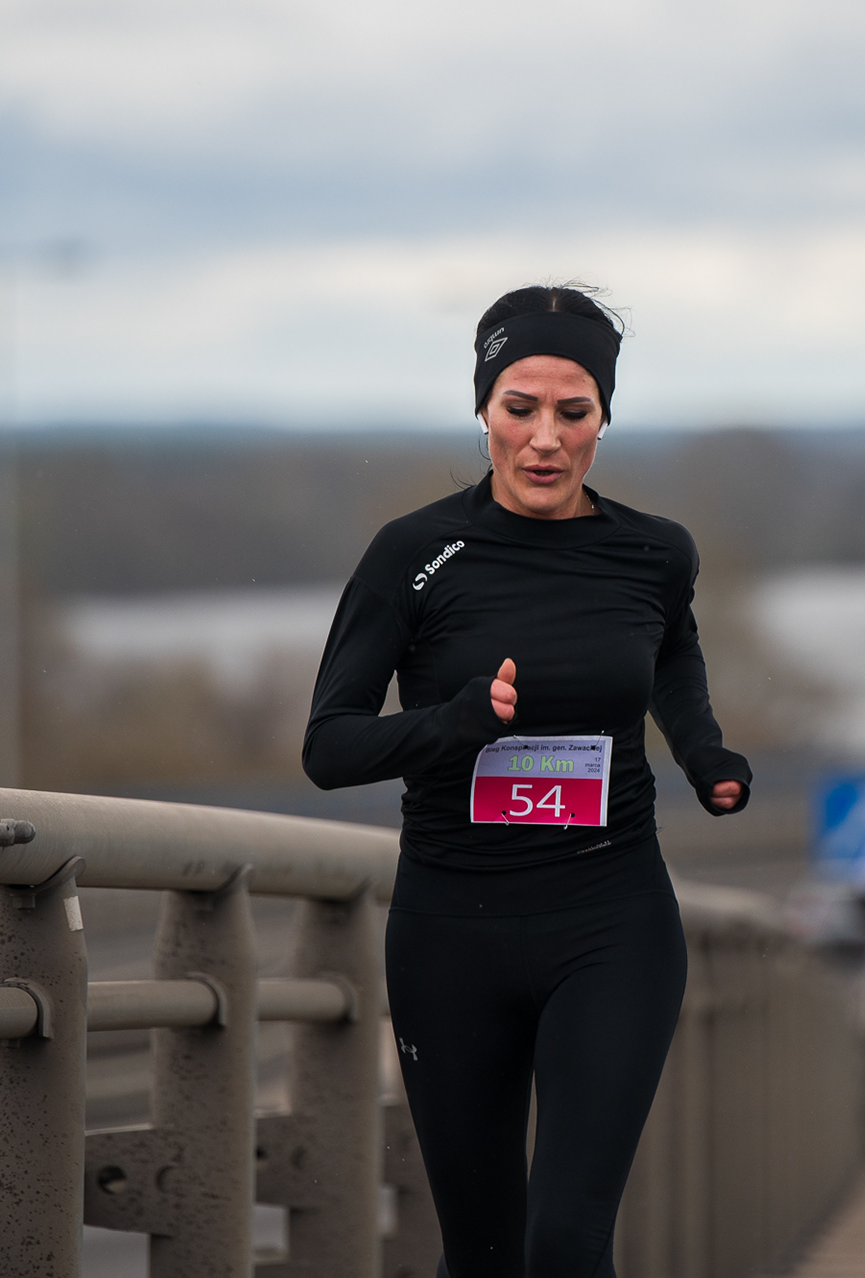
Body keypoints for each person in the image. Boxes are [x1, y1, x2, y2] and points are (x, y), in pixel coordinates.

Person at [303, 284, 751, 1278]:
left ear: (603, 418)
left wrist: (706, 754)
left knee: (564, 1242)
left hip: (610, 920)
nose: (545, 438)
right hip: (450, 933)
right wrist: (451, 726)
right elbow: (329, 748)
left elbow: (671, 659)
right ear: (483, 410)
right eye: (520, 408)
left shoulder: (655, 553)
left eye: (573, 411)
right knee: (485, 1253)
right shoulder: (414, 554)